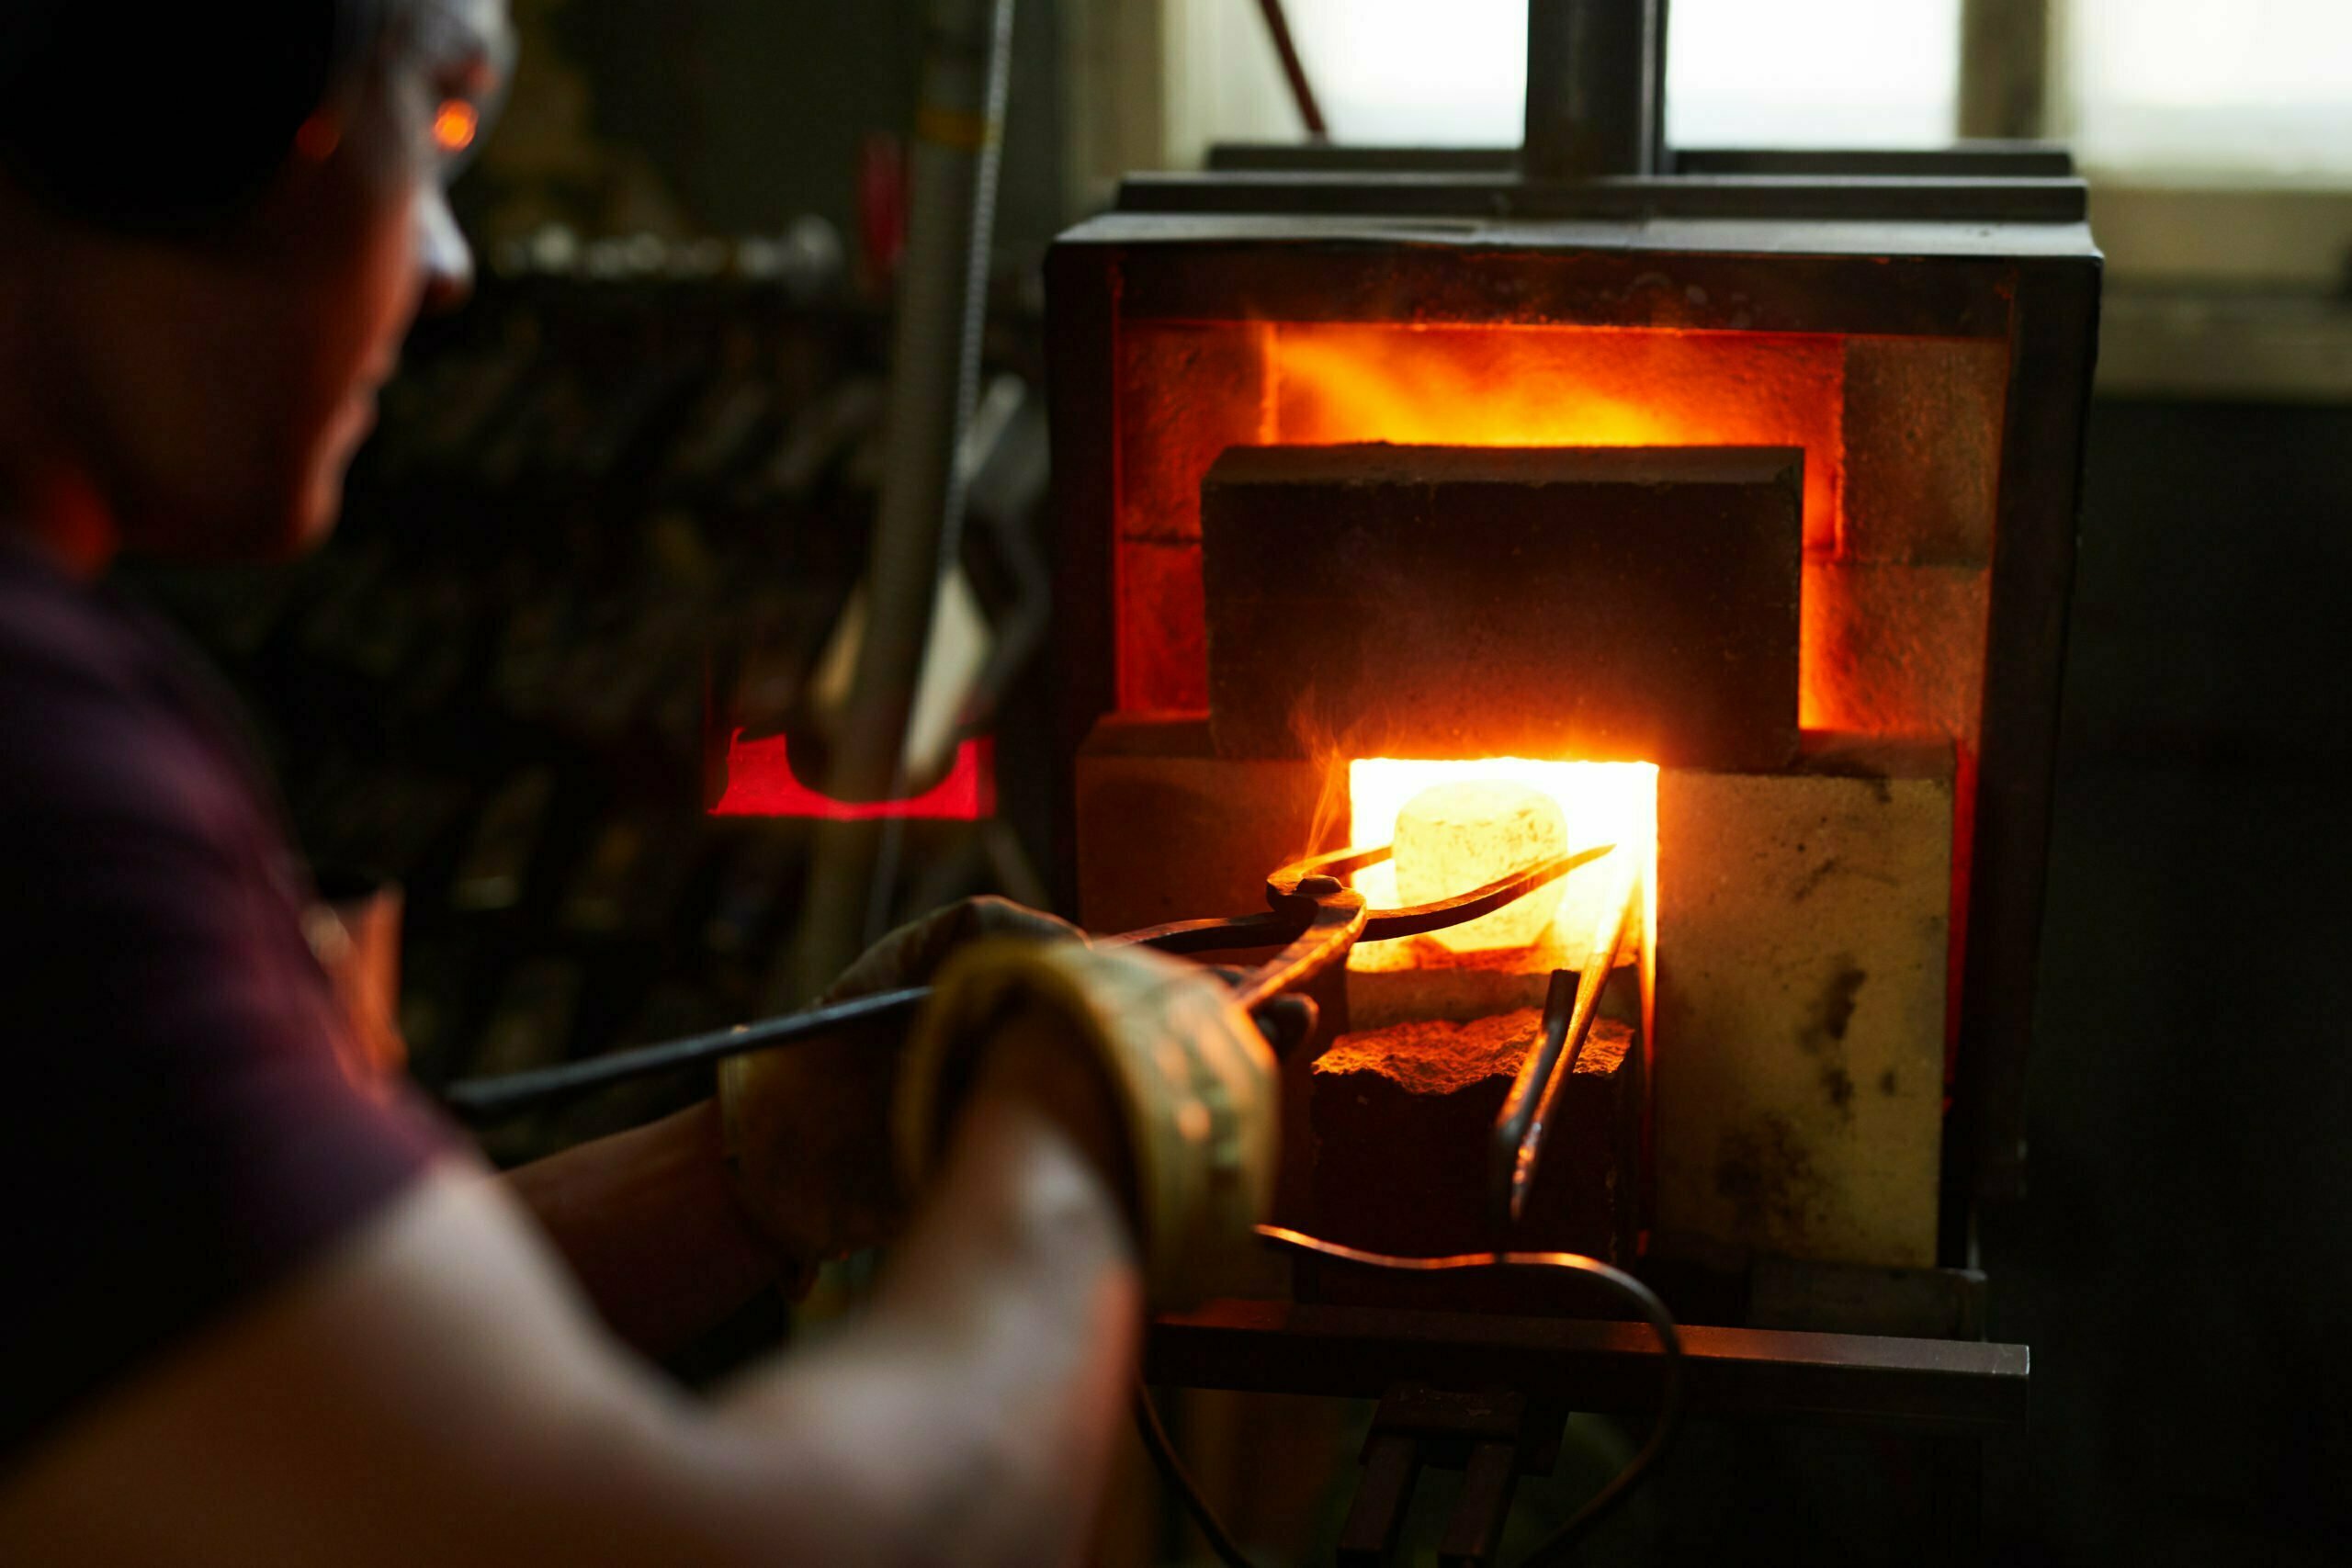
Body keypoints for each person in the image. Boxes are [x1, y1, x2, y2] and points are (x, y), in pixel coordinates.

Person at [0, 4, 1275, 1563]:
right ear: (198, 91)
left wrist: (760, 1157)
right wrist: (1085, 1128)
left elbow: (274, 1334)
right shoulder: (46, 784)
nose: (452, 263)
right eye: (444, 116)